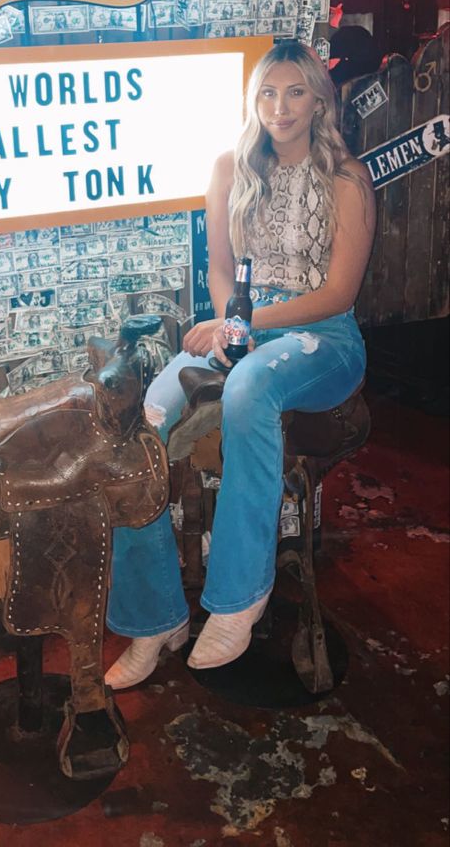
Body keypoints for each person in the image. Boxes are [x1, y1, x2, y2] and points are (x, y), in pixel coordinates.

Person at [105, 40, 376, 689]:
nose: (278, 107)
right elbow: (220, 269)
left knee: (250, 386)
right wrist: (233, 323)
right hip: (246, 325)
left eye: (293, 92)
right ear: (251, 99)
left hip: (323, 339)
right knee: (142, 422)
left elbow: (340, 294)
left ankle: (237, 598)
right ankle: (154, 620)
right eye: (265, 92)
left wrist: (245, 329)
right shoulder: (230, 167)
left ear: (319, 99)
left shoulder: (345, 178)